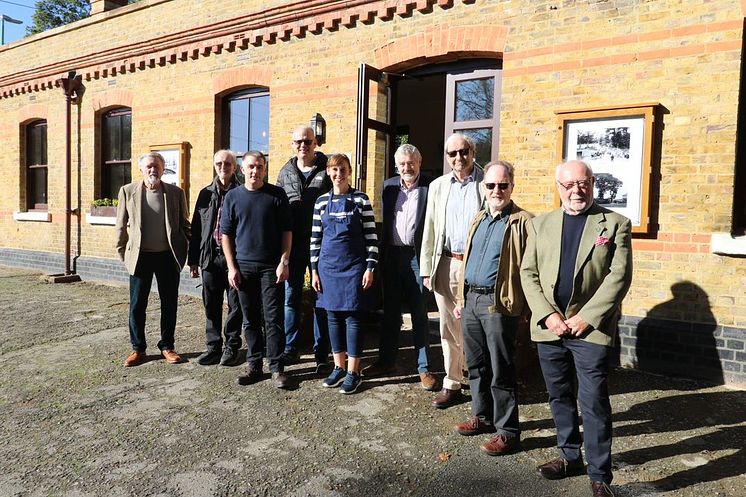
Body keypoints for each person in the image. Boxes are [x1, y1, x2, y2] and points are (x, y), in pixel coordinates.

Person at [520, 160, 633, 497]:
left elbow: (619, 276)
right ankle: (569, 457)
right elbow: (528, 273)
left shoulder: (614, 224)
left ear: (592, 184)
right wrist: (547, 315)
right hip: (550, 328)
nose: (576, 190)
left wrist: (586, 317)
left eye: (582, 183)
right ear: (558, 187)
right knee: (558, 395)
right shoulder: (540, 225)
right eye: (569, 184)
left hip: (590, 330)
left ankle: (600, 475)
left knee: (594, 400)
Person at [452, 160, 533, 456]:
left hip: (498, 304)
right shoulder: (480, 218)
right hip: (471, 299)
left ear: (512, 186)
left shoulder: (523, 221)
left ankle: (508, 432)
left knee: (501, 369)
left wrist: (525, 307)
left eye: (502, 185)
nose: (496, 190)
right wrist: (462, 300)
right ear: (483, 188)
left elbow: (530, 267)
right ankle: (483, 417)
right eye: (491, 185)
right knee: (475, 365)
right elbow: (468, 259)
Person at [364, 144, 438, 392]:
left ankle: (424, 368)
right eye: (402, 164)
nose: (407, 167)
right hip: (393, 255)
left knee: (419, 312)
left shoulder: (431, 186)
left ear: (419, 162)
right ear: (397, 165)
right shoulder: (388, 186)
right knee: (391, 313)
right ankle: (386, 361)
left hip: (417, 256)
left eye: (411, 163)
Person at [420, 133, 484, 408]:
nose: (458, 158)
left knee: (475, 327)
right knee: (447, 326)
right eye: (452, 153)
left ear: (473, 151)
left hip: (477, 265)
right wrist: (426, 269)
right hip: (445, 263)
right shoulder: (437, 186)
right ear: (447, 157)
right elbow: (430, 229)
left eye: (463, 151)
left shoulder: (486, 182)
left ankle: (479, 378)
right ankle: (452, 381)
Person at [221, 151, 293, 389]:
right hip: (243, 268)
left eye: (260, 167)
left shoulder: (276, 195)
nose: (255, 171)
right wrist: (232, 268)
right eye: (251, 166)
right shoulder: (233, 197)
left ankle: (276, 368)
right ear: (242, 169)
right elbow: (226, 235)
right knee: (250, 319)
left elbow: (286, 231)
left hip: (271, 268)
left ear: (264, 169)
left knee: (273, 319)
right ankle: (254, 365)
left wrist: (284, 261)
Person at [310, 154, 378, 394]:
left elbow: (371, 237)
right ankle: (338, 367)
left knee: (353, 318)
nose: (338, 174)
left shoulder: (361, 200)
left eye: (342, 169)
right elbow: (315, 239)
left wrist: (370, 267)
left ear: (349, 172)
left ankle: (354, 371)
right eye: (334, 169)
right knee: (333, 317)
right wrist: (314, 271)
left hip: (354, 269)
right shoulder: (320, 203)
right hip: (328, 269)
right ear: (328, 172)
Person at [115, 152, 191, 367]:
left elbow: (185, 225)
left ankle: (167, 346)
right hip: (140, 257)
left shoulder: (176, 193)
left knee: (169, 303)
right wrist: (123, 253)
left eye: (157, 166)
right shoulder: (128, 191)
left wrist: (185, 252)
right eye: (149, 166)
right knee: (137, 305)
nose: (153, 170)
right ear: (141, 169)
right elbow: (121, 224)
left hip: (168, 256)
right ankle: (138, 349)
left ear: (163, 168)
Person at [276, 125, 332, 372]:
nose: (303, 145)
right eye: (298, 141)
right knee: (291, 297)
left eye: (307, 141)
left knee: (321, 297)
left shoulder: (328, 169)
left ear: (315, 143)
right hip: (293, 245)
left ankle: (322, 354)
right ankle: (291, 348)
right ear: (292, 144)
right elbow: (277, 208)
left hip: (321, 244)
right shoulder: (285, 172)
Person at [188, 150, 243, 366]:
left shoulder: (241, 192)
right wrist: (193, 261)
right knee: (210, 304)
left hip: (234, 260)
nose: (223, 167)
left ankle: (232, 346)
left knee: (235, 304)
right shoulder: (205, 194)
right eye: (219, 163)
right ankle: (213, 346)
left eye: (227, 163)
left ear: (235, 167)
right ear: (214, 166)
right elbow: (196, 228)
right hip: (210, 257)